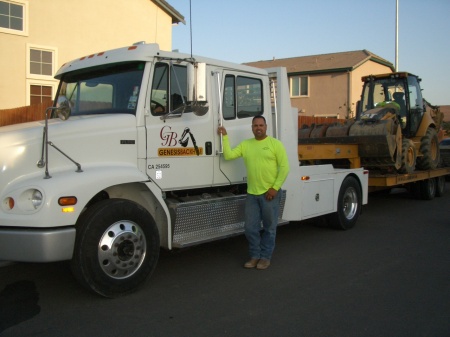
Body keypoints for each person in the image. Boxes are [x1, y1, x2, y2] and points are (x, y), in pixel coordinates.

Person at [217, 115, 289, 270]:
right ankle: (255, 255)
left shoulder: (275, 144)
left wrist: (274, 188)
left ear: (266, 127)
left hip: (270, 193)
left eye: (261, 125)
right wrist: (225, 137)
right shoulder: (246, 145)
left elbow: (284, 168)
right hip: (252, 194)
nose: (258, 128)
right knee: (250, 228)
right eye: (255, 125)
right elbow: (229, 155)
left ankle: (265, 257)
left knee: (270, 228)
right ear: (252, 127)